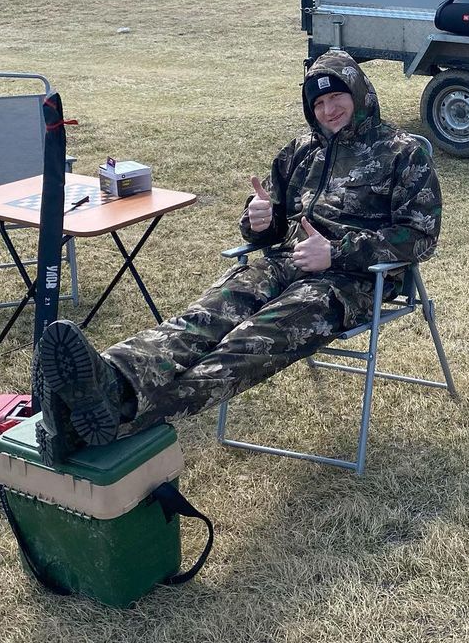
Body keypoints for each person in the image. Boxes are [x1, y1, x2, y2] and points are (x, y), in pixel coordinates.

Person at [35, 50, 443, 464]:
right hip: (285, 261)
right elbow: (270, 223)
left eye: (336, 97)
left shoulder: (402, 152)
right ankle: (112, 374)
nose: (328, 110)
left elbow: (421, 236)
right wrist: (259, 220)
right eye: (317, 103)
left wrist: (336, 252)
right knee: (203, 317)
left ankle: (115, 414)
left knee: (249, 342)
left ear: (359, 92)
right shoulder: (299, 152)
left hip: (352, 282)